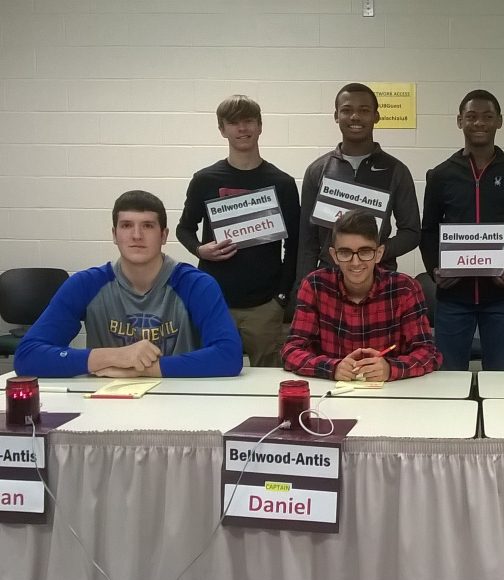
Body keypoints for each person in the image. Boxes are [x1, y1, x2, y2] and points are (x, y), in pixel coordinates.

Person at [14, 191, 243, 378]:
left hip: (179, 398)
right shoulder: (86, 284)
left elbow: (229, 356)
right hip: (106, 398)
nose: (136, 235)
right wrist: (114, 357)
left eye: (147, 226)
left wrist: (142, 370)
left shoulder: (196, 284)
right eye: (126, 226)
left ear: (163, 236)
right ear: (114, 234)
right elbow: (28, 356)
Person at [176, 94, 300, 367]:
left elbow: (294, 247)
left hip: (265, 306)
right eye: (233, 123)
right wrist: (199, 249)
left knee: (269, 383)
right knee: (213, 379)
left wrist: (281, 297)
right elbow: (183, 228)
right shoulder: (204, 180)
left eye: (248, 121)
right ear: (222, 130)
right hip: (215, 301)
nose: (242, 129)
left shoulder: (283, 183)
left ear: (260, 126)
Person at [420, 89, 504, 371]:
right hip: (453, 297)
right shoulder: (440, 175)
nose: (479, 123)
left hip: (503, 297)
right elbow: (428, 232)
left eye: (487, 116)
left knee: (503, 377)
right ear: (460, 121)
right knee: (447, 379)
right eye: (471, 116)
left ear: (499, 121)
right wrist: (436, 271)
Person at [283, 210, 441, 381]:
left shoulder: (405, 289)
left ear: (379, 253)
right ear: (334, 255)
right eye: (345, 253)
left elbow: (429, 353)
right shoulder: (315, 286)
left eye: (365, 252)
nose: (355, 262)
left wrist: (390, 368)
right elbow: (291, 350)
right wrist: (332, 367)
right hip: (330, 393)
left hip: (391, 395)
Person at [296, 83, 420, 282]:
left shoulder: (397, 170)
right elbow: (307, 241)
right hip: (329, 280)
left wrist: (375, 253)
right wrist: (300, 290)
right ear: (336, 116)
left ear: (376, 116)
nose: (355, 117)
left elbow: (412, 232)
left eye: (364, 110)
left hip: (379, 278)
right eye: (346, 110)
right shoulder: (317, 171)